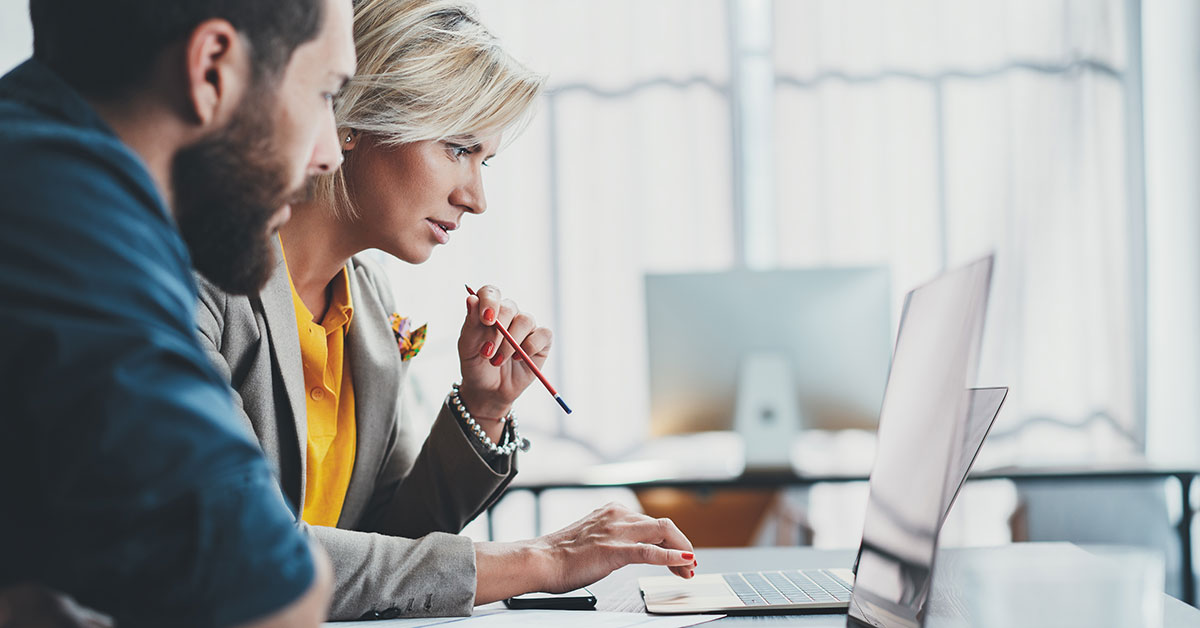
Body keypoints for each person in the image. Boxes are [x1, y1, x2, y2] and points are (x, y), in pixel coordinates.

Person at [196, 0, 697, 620]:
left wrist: (483, 407)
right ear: (356, 119)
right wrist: (542, 559)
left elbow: (393, 542)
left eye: (482, 160)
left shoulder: (369, 301)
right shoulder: (202, 282)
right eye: (458, 148)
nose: (476, 197)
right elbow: (249, 553)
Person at [0, 0, 359, 625]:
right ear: (212, 68)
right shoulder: (66, 218)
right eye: (327, 93)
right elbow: (266, 587)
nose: (330, 154)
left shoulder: (34, 158)